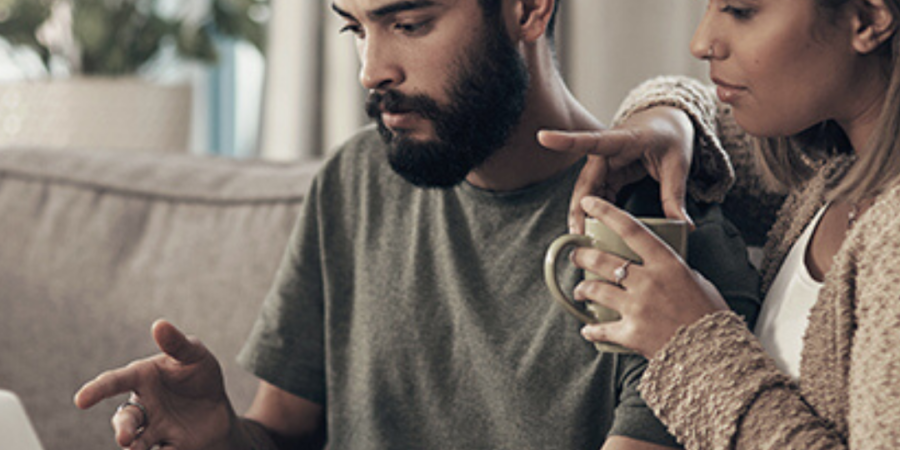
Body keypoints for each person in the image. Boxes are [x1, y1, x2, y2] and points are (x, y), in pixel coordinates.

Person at [72, 1, 760, 449]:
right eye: (355, 28)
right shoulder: (354, 183)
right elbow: (281, 434)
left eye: (409, 23)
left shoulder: (664, 238)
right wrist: (221, 434)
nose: (373, 70)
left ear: (527, 9)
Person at [541, 0, 900, 448]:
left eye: (741, 10)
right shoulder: (834, 166)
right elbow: (700, 117)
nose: (700, 43)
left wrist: (693, 346)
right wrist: (668, 122)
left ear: (867, 19)